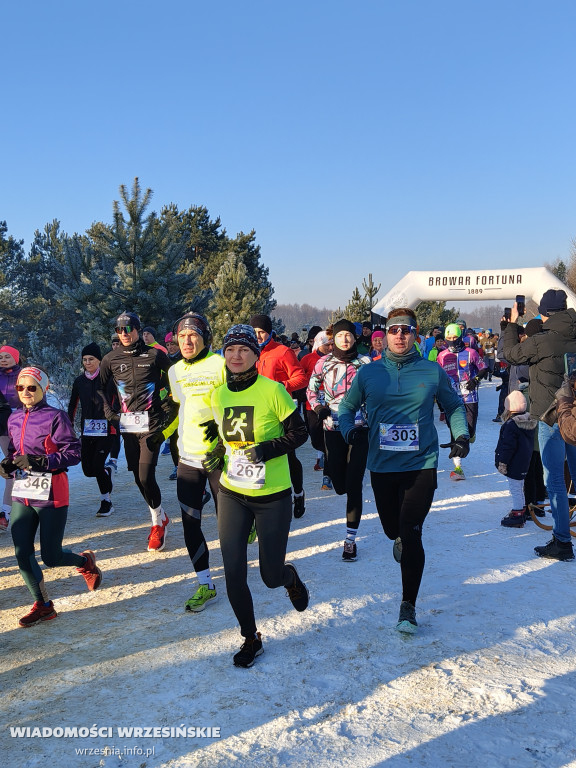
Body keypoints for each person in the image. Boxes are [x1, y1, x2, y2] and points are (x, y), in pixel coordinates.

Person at [338, 308, 469, 632]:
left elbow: (452, 405)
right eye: (394, 330)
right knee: (391, 529)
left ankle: (407, 606)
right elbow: (347, 408)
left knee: (411, 531)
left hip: (421, 463)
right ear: (385, 335)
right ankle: (397, 536)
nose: (399, 335)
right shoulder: (369, 374)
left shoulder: (431, 370)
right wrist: (349, 431)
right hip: (382, 465)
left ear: (415, 333)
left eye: (406, 330)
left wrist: (461, 434)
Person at [209, 324, 309, 667]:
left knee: (269, 576)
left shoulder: (273, 391)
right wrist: (215, 453)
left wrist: (267, 449)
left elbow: (300, 433)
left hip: (272, 495)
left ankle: (289, 577)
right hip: (233, 491)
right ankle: (250, 638)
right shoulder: (218, 394)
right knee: (233, 572)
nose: (236, 356)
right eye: (230, 350)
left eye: (244, 350)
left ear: (255, 355)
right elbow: (227, 438)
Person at [0, 366, 102, 627]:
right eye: (20, 387)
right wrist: (8, 464)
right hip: (24, 493)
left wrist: (38, 460)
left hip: (52, 492)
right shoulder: (13, 418)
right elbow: (14, 451)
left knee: (51, 557)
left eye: (31, 387)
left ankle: (85, 562)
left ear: (43, 388)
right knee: (22, 552)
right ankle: (44, 605)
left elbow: (73, 453)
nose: (25, 392)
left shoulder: (55, 416)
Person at [502, 289, 576, 561]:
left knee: (554, 478)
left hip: (551, 414)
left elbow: (510, 354)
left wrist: (512, 322)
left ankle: (562, 541)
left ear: (544, 313)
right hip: (575, 413)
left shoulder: (543, 341)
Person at [99, 311, 177, 552]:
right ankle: (160, 515)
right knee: (137, 477)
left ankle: (156, 524)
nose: (124, 334)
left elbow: (176, 380)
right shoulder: (110, 359)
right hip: (127, 426)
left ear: (137, 329)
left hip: (151, 424)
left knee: (146, 475)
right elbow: (100, 388)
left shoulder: (154, 355)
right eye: (119, 329)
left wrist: (168, 406)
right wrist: (109, 413)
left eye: (128, 328)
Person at [166, 312, 226, 612]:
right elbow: (182, 405)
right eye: (181, 336)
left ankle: (238, 565)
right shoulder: (174, 371)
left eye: (193, 335)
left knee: (226, 522)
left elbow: (235, 401)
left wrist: (224, 440)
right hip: (188, 456)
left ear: (205, 338)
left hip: (219, 456)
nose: (187, 341)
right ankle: (205, 583)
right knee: (190, 522)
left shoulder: (220, 364)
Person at [307, 319, 371, 560]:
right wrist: (318, 408)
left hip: (359, 428)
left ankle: (350, 540)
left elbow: (374, 392)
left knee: (354, 484)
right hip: (332, 426)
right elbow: (311, 390)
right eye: (340, 335)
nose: (345, 339)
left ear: (355, 338)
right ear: (332, 338)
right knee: (339, 483)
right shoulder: (323, 363)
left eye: (349, 335)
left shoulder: (365, 363)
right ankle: (341, 481)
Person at [250, 314, 308, 518]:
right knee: (257, 452)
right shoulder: (248, 352)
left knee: (288, 455)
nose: (257, 336)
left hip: (280, 409)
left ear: (269, 332)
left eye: (261, 332)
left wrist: (282, 386)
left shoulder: (282, 352)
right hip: (256, 411)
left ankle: (298, 493)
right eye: (254, 332)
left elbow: (301, 378)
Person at [68, 343, 119, 517]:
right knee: (88, 470)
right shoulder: (79, 381)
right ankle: (108, 472)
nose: (88, 362)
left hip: (107, 430)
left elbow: (120, 401)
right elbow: (73, 405)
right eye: (85, 360)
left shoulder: (108, 379)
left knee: (97, 466)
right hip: (87, 431)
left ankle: (106, 501)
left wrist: (117, 419)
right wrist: (68, 427)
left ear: (99, 360)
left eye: (91, 359)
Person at [436, 323, 487, 480]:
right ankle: (457, 468)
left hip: (470, 397)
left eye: (455, 338)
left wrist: (476, 379)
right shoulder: (442, 356)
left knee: (469, 433)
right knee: (456, 433)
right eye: (449, 338)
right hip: (452, 399)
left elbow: (483, 368)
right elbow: (438, 377)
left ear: (461, 336)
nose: (452, 340)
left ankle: (470, 435)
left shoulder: (471, 353)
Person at [495, 390, 538, 527]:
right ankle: (521, 510)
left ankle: (518, 513)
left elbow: (508, 446)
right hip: (524, 461)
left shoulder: (511, 425)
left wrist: (503, 462)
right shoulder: (529, 422)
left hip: (514, 463)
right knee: (519, 487)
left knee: (515, 488)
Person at [299, 330, 333, 489]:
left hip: (331, 405)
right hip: (311, 405)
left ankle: (328, 470)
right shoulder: (308, 359)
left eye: (332, 344)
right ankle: (324, 452)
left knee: (329, 438)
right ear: (320, 343)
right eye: (328, 345)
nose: (331, 347)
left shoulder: (335, 359)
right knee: (315, 438)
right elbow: (299, 376)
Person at [0, 345, 22, 529]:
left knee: (27, 464)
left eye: (7, 356)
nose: (3, 359)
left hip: (25, 423)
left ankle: (36, 505)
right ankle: (5, 512)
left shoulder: (24, 374)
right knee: (10, 467)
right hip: (3, 426)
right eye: (1, 357)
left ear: (16, 358)